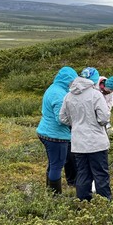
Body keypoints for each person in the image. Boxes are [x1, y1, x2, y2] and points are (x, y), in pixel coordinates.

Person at [60, 67, 112, 201]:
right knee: (100, 174)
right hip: (96, 143)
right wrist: (97, 123)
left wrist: (75, 123)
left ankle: (83, 203)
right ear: (94, 80)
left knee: (82, 173)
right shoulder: (96, 95)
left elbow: (62, 118)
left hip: (78, 143)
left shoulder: (69, 96)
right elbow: (104, 118)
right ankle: (104, 203)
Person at [36, 66, 78, 194]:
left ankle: (50, 192)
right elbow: (61, 119)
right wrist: (76, 122)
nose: (73, 84)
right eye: (72, 81)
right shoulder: (59, 94)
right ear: (68, 80)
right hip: (56, 136)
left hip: (46, 132)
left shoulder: (53, 88)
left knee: (53, 163)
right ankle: (55, 196)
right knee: (56, 165)